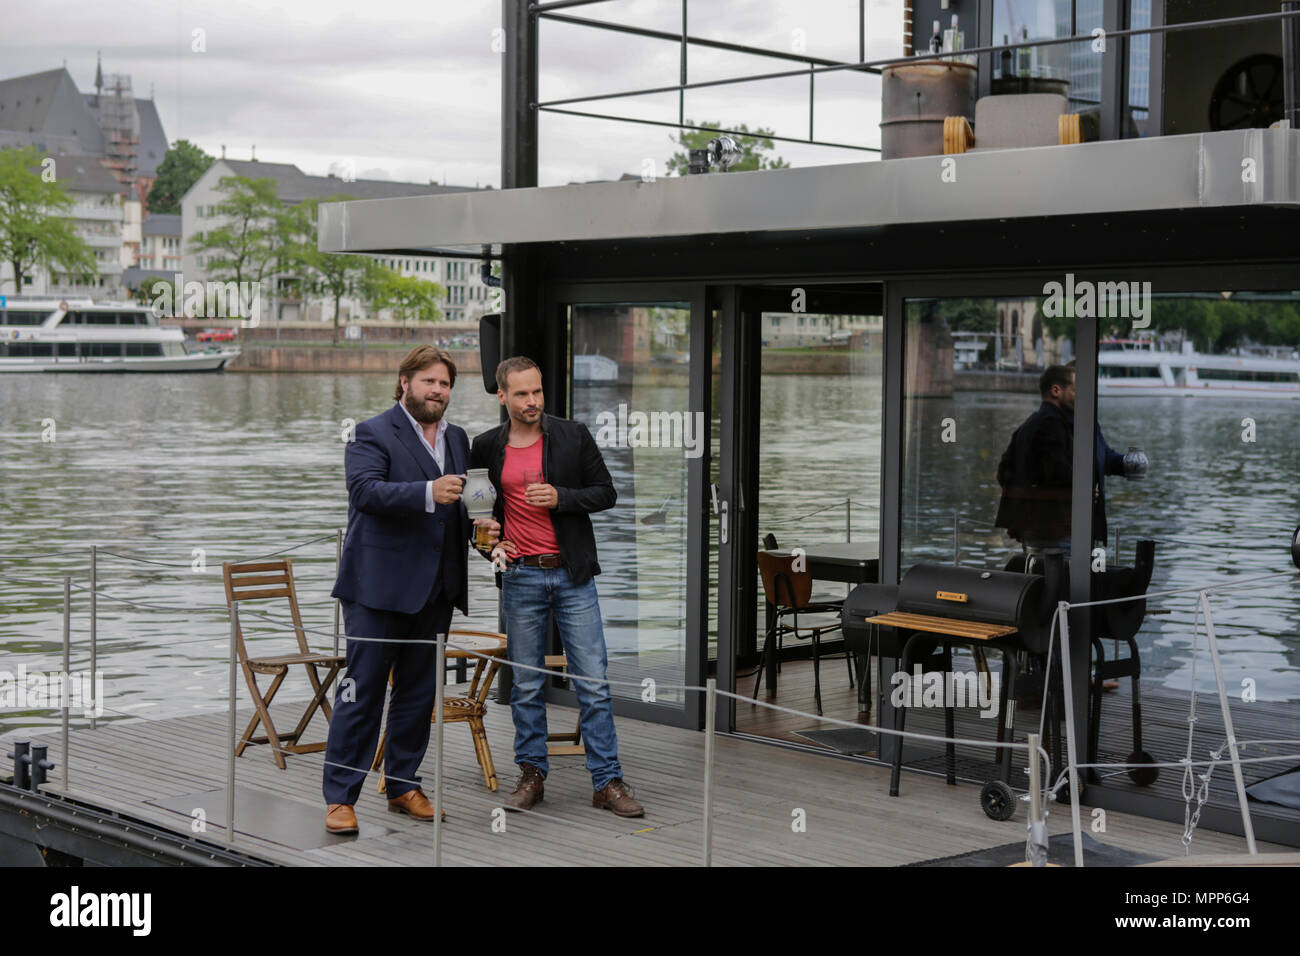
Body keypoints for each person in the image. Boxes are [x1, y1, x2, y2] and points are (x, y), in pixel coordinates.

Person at [323, 346, 499, 834]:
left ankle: (403, 786)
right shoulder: (370, 432)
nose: (437, 391)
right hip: (377, 591)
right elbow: (363, 492)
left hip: (437, 591)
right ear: (404, 382)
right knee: (362, 695)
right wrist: (426, 493)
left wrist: (481, 529)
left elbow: (463, 502)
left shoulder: (459, 439)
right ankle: (340, 797)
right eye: (428, 382)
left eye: (444, 384)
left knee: (420, 697)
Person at [470, 356, 645, 818]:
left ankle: (607, 782)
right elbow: (475, 518)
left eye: (538, 391)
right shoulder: (485, 446)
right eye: (522, 394)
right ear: (502, 395)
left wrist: (562, 498)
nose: (533, 402)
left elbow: (606, 492)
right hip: (520, 576)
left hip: (572, 576)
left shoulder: (572, 434)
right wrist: (488, 546)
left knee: (594, 683)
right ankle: (531, 775)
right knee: (526, 685)